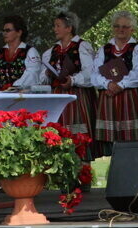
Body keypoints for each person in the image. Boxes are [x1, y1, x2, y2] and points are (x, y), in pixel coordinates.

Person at [39, 12, 97, 156]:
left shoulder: (82, 46)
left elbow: (90, 73)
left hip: (76, 97)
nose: (55, 29)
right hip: (57, 96)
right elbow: (41, 77)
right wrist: (47, 73)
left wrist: (73, 80)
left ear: (69, 28)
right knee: (58, 134)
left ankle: (82, 167)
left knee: (78, 136)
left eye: (58, 26)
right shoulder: (51, 51)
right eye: (55, 26)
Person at [91, 11, 138, 149]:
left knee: (133, 138)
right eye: (117, 26)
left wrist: (121, 84)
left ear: (132, 29)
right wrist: (108, 84)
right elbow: (94, 74)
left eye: (125, 26)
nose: (120, 29)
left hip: (131, 97)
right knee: (113, 141)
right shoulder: (104, 49)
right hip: (109, 96)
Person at [0, 16, 42, 92]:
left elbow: (32, 75)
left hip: (24, 98)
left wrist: (13, 88)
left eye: (8, 30)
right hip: (2, 98)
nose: (4, 33)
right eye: (3, 30)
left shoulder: (30, 52)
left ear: (19, 32)